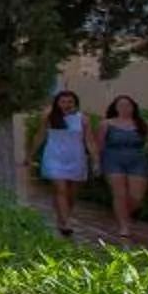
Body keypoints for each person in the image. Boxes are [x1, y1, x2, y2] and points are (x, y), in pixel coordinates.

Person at [100, 95, 148, 237]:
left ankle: (122, 214)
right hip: (113, 159)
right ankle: (124, 226)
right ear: (115, 108)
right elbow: (100, 145)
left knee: (136, 197)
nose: (124, 108)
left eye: (128, 105)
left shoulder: (145, 123)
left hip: (137, 160)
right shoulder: (107, 124)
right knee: (119, 194)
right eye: (121, 105)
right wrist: (96, 163)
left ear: (134, 107)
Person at [37, 89, 92, 236]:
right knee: (60, 189)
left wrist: (96, 158)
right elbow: (40, 136)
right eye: (63, 101)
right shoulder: (49, 117)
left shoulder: (83, 119)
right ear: (57, 103)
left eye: (70, 102)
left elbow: (89, 140)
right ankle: (66, 222)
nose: (66, 105)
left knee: (71, 194)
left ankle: (62, 217)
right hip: (54, 157)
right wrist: (30, 155)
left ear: (75, 104)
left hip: (75, 157)